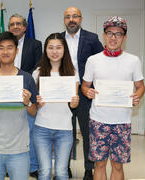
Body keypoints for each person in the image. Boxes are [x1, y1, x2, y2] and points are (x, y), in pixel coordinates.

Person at [82, 16, 145, 180]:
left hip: (122, 122)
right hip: (98, 121)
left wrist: (136, 96)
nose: (113, 37)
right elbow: (84, 85)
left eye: (118, 34)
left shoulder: (133, 61)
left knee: (117, 165)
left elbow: (140, 86)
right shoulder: (93, 60)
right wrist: (86, 91)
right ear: (103, 35)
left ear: (124, 37)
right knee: (100, 164)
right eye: (109, 33)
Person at [0, 31, 38, 180]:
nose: (5, 52)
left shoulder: (27, 78)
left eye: (9, 47)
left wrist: (28, 102)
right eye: (1, 48)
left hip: (19, 150)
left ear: (16, 51)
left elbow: (33, 112)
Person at [0, 13, 42, 178]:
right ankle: (7, 166)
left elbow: (38, 66)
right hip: (3, 93)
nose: (15, 26)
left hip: (24, 91)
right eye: (12, 24)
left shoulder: (35, 44)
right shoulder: (1, 46)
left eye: (19, 24)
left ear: (25, 26)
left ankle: (33, 166)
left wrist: (20, 82)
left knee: (29, 131)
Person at [61, 6, 103, 179]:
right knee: (65, 133)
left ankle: (88, 168)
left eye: (75, 16)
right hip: (63, 91)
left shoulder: (91, 38)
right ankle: (65, 167)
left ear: (81, 19)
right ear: (64, 20)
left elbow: (102, 63)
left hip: (84, 91)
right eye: (68, 17)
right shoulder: (57, 39)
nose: (71, 19)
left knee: (87, 133)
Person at [32, 33, 79, 180]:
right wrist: (37, 103)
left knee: (61, 172)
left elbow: (73, 104)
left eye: (58, 47)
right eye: (50, 48)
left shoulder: (73, 73)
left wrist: (74, 102)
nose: (54, 51)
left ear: (64, 49)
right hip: (41, 128)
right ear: (45, 50)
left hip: (64, 129)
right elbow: (33, 105)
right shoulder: (38, 73)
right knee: (44, 171)